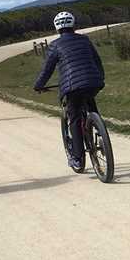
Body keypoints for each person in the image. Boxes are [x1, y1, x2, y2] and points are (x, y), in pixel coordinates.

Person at [33, 11, 105, 170]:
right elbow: (97, 61)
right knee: (89, 100)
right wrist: (100, 78)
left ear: (57, 28)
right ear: (73, 25)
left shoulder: (55, 45)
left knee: (73, 119)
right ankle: (99, 130)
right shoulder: (85, 40)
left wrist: (38, 85)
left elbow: (47, 70)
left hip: (71, 87)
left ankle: (78, 159)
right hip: (93, 82)